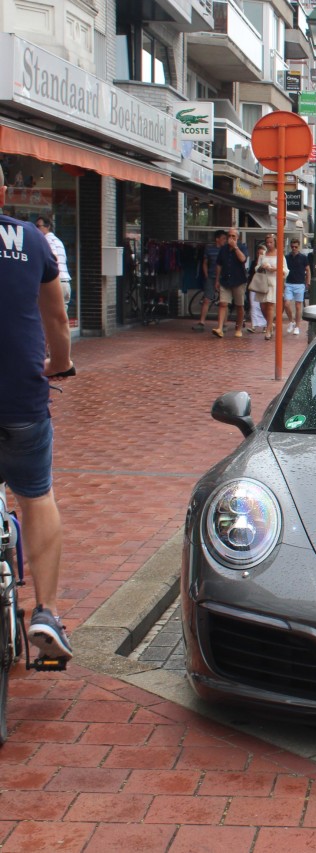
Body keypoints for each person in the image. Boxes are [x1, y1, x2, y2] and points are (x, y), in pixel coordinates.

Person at [0, 164, 75, 661]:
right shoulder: (30, 239)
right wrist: (61, 365)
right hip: (21, 398)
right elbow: (56, 321)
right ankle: (46, 611)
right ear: (4, 191)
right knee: (36, 494)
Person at [212, 226, 249, 338]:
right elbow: (219, 265)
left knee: (239, 305)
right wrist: (217, 280)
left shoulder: (242, 247)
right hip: (225, 280)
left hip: (239, 280)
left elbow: (243, 259)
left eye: (233, 236)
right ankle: (220, 328)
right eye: (229, 236)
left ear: (237, 237)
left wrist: (236, 248)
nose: (231, 238)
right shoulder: (223, 249)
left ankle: (238, 328)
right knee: (223, 303)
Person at [34, 215, 71, 308]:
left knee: (47, 315)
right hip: (65, 283)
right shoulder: (58, 241)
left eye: (38, 226)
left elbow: (53, 258)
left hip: (55, 283)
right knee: (62, 318)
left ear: (48, 226)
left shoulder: (46, 239)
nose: (36, 229)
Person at [193, 229, 226, 330]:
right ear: (217, 239)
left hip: (223, 278)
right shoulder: (209, 249)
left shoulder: (227, 250)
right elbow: (205, 262)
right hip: (211, 277)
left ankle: (223, 324)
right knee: (207, 299)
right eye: (223, 238)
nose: (225, 240)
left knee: (224, 301)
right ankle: (201, 322)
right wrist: (206, 275)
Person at [254, 235, 280, 339]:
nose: (269, 245)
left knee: (270, 305)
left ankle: (268, 329)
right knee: (262, 306)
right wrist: (261, 267)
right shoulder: (263, 255)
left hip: (273, 282)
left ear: (275, 243)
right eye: (267, 243)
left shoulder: (279, 255)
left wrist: (275, 269)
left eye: (271, 242)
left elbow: (285, 269)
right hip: (262, 282)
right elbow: (256, 268)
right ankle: (270, 323)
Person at [284, 238, 310, 334]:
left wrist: (308, 281)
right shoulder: (287, 257)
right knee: (286, 304)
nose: (294, 248)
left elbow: (308, 269)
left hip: (299, 283)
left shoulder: (303, 257)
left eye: (296, 247)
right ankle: (291, 321)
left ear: (298, 247)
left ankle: (297, 326)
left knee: (298, 306)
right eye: (292, 247)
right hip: (289, 283)